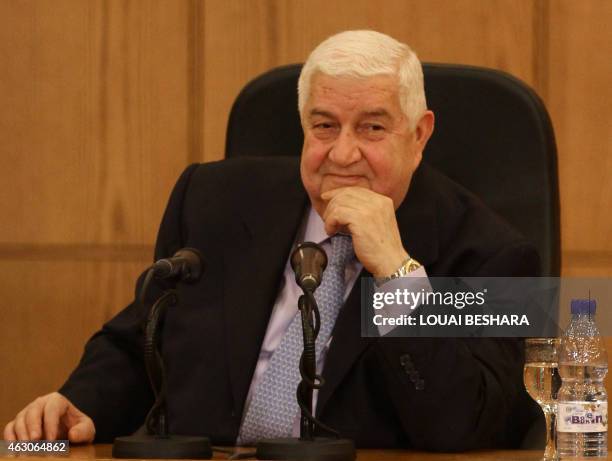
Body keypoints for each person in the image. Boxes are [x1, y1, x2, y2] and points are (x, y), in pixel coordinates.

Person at [4, 30, 540, 450]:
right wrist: (79, 405)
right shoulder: (213, 198)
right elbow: (145, 337)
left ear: (419, 134)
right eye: (325, 126)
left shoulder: (497, 254)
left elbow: (462, 425)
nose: (343, 154)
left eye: (373, 128)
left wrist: (397, 273)